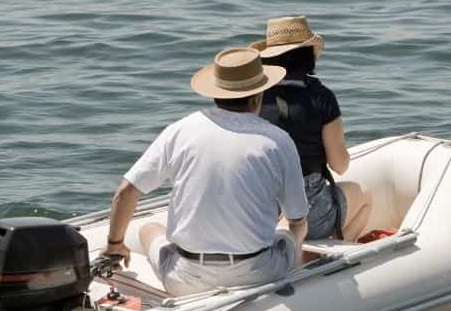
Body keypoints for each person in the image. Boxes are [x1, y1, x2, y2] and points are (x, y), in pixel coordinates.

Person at [103, 47, 309, 296]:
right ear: (257, 96)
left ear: (216, 93)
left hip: (186, 279)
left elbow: (125, 193)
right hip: (258, 274)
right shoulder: (278, 140)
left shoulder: (179, 130)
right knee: (290, 227)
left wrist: (115, 245)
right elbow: (298, 218)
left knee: (148, 229)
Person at [250, 15, 372, 241]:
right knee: (364, 196)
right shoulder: (321, 97)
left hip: (256, 206)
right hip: (306, 209)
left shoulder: (252, 98)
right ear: (308, 55)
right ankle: (332, 259)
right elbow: (339, 165)